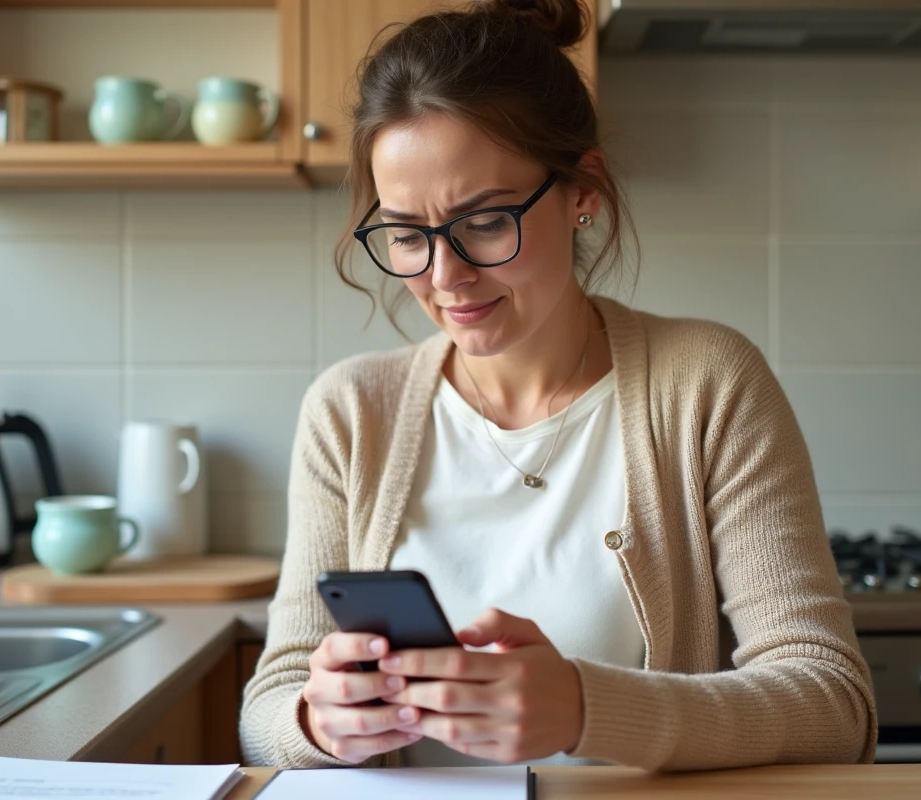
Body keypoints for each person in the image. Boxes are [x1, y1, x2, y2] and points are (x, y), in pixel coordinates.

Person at [240, 0, 876, 772]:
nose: (445, 278)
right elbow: (269, 706)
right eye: (407, 234)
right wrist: (315, 723)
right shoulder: (349, 413)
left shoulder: (707, 385)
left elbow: (834, 702)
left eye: (485, 221)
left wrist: (584, 709)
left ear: (582, 192)